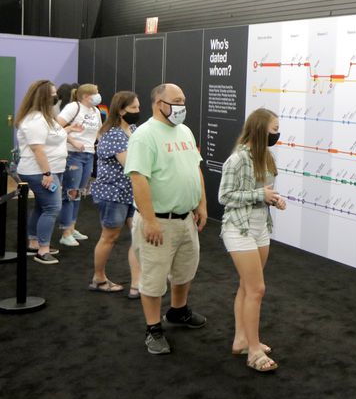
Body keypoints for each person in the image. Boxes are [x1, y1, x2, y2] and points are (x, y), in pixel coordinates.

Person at [125, 83, 208, 355]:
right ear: (158, 103)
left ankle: (178, 311)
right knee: (153, 278)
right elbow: (138, 179)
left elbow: (195, 169)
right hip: (159, 221)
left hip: (185, 219)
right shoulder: (145, 135)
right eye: (176, 101)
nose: (181, 106)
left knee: (186, 270)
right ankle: (153, 329)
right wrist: (149, 221)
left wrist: (201, 205)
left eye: (183, 100)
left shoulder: (183, 130)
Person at [219, 108, 286, 372]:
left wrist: (274, 198)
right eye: (274, 128)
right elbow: (225, 197)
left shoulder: (267, 156)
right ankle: (254, 350)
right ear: (260, 130)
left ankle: (241, 340)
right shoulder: (237, 159)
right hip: (239, 228)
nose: (277, 134)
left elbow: (264, 191)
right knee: (257, 289)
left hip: (260, 228)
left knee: (248, 287)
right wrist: (260, 195)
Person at [15, 80, 81, 264]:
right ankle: (42, 250)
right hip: (39, 171)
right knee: (52, 208)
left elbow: (52, 137)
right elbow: (38, 149)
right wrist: (47, 174)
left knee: (42, 207)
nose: (56, 97)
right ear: (43, 96)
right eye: (52, 94)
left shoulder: (46, 117)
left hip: (51, 169)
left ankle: (33, 243)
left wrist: (69, 129)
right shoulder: (35, 120)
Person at [89, 91, 142, 297]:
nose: (138, 111)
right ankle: (98, 278)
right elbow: (131, 165)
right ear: (121, 111)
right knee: (109, 237)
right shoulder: (113, 134)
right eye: (134, 108)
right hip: (113, 193)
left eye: (138, 107)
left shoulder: (134, 129)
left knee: (138, 237)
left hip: (131, 193)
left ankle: (137, 285)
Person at [56, 83, 103, 247]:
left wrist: (100, 142)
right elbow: (57, 126)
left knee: (79, 192)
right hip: (73, 154)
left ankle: (72, 227)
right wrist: (73, 141)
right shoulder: (73, 107)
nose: (98, 95)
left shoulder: (95, 111)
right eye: (96, 93)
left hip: (89, 154)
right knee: (71, 192)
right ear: (85, 96)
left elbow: (98, 131)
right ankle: (65, 232)